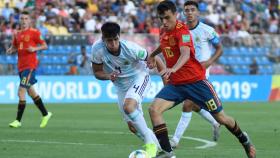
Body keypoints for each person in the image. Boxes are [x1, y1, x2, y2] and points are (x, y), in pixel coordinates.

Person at [147, 1, 256, 158]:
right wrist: (152, 54)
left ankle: (244, 140)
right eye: (161, 19)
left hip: (197, 82)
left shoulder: (182, 31)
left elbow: (185, 54)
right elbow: (163, 45)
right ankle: (168, 153)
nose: (164, 22)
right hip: (177, 84)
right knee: (154, 110)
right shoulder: (163, 31)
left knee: (222, 118)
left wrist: (173, 69)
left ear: (175, 15)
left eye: (167, 18)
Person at [91, 22, 160, 158]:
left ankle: (150, 145)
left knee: (129, 106)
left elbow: (154, 57)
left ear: (119, 36)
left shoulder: (131, 48)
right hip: (121, 85)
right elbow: (97, 72)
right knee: (133, 127)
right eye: (109, 41)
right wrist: (108, 76)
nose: (113, 43)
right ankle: (162, 149)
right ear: (103, 39)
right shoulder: (97, 49)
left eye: (115, 39)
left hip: (139, 77)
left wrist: (164, 78)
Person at [170, 0, 223, 148]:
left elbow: (219, 48)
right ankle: (215, 122)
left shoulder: (207, 30)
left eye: (192, 10)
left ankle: (175, 140)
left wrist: (209, 61)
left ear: (198, 12)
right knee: (193, 105)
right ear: (183, 13)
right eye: (186, 10)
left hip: (201, 73)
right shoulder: (181, 30)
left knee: (187, 104)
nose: (190, 13)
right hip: (186, 72)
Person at [6, 11, 52, 128]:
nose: (24, 21)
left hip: (30, 67)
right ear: (20, 20)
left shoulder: (35, 32)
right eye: (22, 18)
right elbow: (15, 46)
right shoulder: (17, 34)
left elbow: (45, 45)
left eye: (26, 18)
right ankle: (45, 114)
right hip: (21, 67)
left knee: (21, 91)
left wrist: (35, 48)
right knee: (32, 93)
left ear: (30, 21)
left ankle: (18, 121)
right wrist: (11, 50)